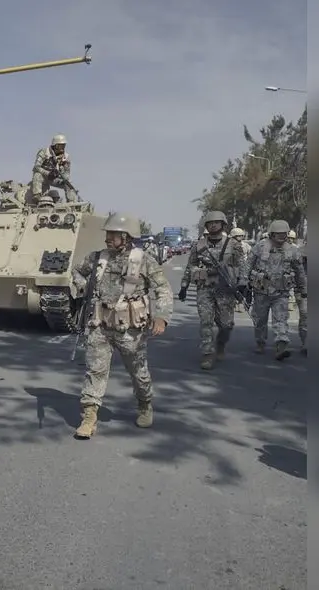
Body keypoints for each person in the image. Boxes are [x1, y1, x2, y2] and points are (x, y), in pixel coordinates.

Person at [71, 212, 174, 439]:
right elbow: (77, 271)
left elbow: (163, 288)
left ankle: (145, 404)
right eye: (108, 233)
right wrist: (82, 287)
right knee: (94, 371)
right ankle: (89, 417)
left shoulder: (143, 260)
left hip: (131, 330)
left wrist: (162, 316)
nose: (108, 238)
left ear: (127, 237)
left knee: (139, 373)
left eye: (114, 234)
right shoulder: (97, 258)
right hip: (100, 325)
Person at [178, 211, 246, 370]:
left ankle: (221, 344)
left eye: (217, 222)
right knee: (206, 322)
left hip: (225, 289)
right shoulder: (199, 245)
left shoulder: (233, 245)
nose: (213, 225)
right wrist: (184, 286)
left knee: (226, 325)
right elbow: (190, 266)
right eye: (210, 223)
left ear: (223, 225)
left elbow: (242, 265)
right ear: (206, 226)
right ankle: (207, 354)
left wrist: (243, 283)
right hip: (205, 288)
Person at [239, 219, 307, 361]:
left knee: (281, 319)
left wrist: (303, 288)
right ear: (272, 234)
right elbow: (248, 265)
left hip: (281, 292)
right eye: (279, 233)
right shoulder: (260, 247)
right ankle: (260, 342)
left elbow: (300, 271)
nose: (282, 236)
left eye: (284, 233)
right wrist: (243, 282)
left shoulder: (293, 250)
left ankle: (281, 346)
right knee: (259, 320)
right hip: (261, 291)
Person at [30, 134, 78, 202]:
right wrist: (48, 173)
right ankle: (37, 195)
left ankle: (71, 202)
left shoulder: (66, 157)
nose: (63, 147)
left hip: (54, 178)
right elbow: (36, 167)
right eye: (61, 145)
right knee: (37, 175)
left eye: (64, 145)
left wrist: (64, 178)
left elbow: (67, 173)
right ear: (56, 145)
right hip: (43, 177)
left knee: (68, 183)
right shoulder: (44, 152)